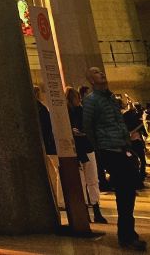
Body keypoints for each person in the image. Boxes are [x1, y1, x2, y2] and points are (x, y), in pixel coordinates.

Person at [84, 64, 147, 250]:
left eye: (100, 71)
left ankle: (127, 232)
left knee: (128, 190)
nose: (101, 73)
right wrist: (100, 147)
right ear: (91, 80)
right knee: (124, 189)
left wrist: (126, 139)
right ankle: (127, 235)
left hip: (122, 147)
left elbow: (118, 121)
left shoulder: (111, 98)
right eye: (96, 72)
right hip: (109, 149)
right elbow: (88, 127)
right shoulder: (91, 101)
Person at [66, 85, 105, 224]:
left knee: (84, 181)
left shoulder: (68, 113)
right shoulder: (82, 111)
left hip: (77, 149)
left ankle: (87, 211)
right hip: (86, 148)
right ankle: (95, 209)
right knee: (92, 180)